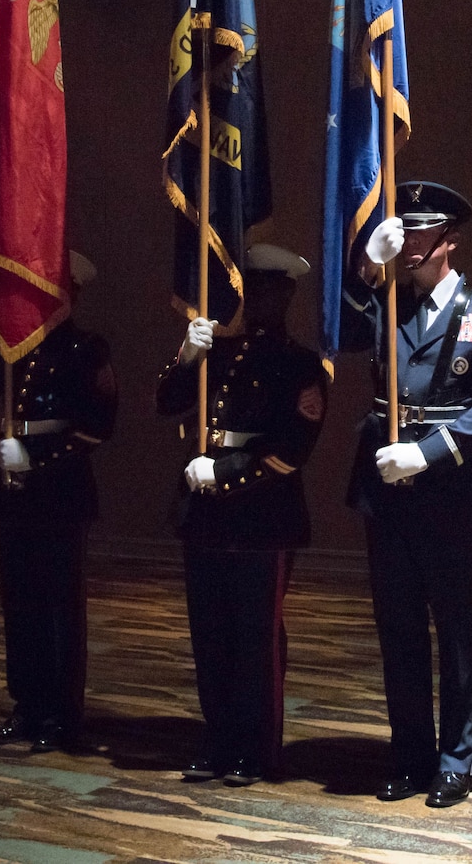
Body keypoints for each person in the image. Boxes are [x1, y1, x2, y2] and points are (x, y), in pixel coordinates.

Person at [340, 181, 472, 809]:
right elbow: (338, 328)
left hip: (449, 490)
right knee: (399, 631)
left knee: (456, 631)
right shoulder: (384, 302)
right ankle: (410, 755)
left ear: (449, 240)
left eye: (420, 233)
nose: (409, 244)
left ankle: (456, 759)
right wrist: (366, 268)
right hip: (387, 487)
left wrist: (429, 450)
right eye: (403, 233)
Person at [155, 243, 326, 786]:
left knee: (256, 638)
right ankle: (219, 738)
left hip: (261, 514)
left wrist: (226, 474)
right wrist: (186, 357)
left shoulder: (301, 363)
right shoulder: (218, 352)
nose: (255, 300)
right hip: (205, 515)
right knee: (210, 634)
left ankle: (256, 748)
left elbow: (292, 449)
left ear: (287, 295)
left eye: (267, 290)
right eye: (247, 289)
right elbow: (167, 402)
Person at [0, 251, 114, 753]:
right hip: (12, 489)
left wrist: (37, 456)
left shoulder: (86, 348)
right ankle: (26, 704)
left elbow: (98, 426)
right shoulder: (14, 349)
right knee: (20, 604)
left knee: (58, 607)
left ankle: (61, 712)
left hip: (58, 491)